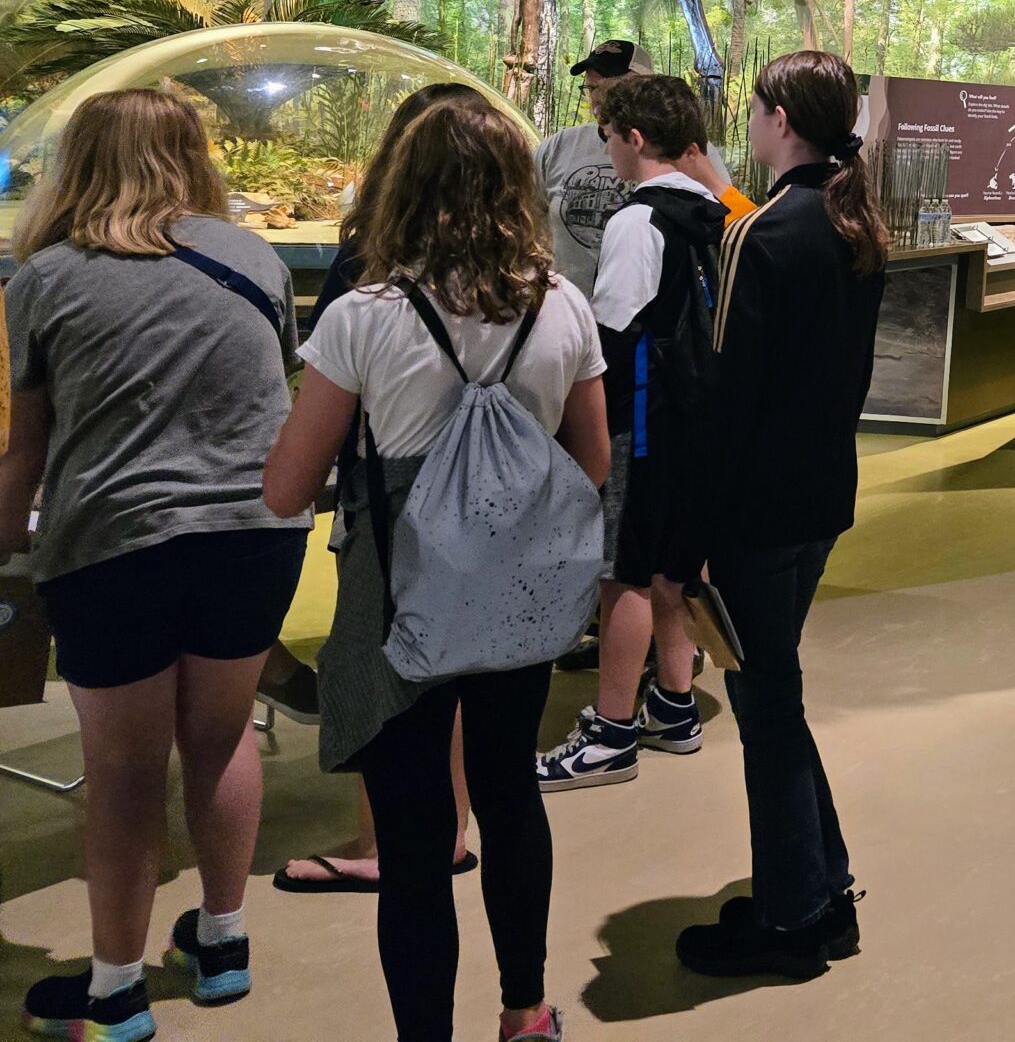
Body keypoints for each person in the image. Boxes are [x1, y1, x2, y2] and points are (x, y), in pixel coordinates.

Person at [265, 93, 611, 1042]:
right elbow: (593, 465)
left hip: (395, 601)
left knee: (415, 839)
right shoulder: (562, 304)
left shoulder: (364, 317)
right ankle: (527, 1008)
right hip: (519, 594)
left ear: (401, 185)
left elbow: (289, 487)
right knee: (508, 791)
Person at [0, 89, 311, 1039]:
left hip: (113, 543)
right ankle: (221, 943)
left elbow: (29, 450)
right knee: (219, 742)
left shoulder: (43, 277)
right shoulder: (253, 255)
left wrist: (7, 545)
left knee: (125, 770)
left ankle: (115, 991)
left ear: (78, 160)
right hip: (257, 534)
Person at [675, 50, 884, 980]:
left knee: (766, 706)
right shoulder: (850, 225)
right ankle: (817, 884)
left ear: (782, 118)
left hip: (758, 511)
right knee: (777, 694)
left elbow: (729, 397)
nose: (748, 123)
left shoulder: (765, 235)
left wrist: (691, 534)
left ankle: (796, 918)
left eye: (756, 107)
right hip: (821, 497)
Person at [277, 81, 480, 895]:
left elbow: (315, 424)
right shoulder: (536, 285)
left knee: (382, 672)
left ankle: (383, 841)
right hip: (491, 512)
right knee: (461, 675)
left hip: (391, 502)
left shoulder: (371, 274)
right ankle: (454, 829)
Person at [536, 75, 725, 793]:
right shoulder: (715, 210)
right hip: (698, 423)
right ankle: (674, 705)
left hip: (642, 428)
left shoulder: (638, 222)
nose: (606, 148)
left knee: (626, 574)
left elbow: (612, 336)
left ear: (634, 139)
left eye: (609, 136)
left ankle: (612, 731)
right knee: (677, 568)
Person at [534, 38, 652, 296]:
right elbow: (523, 217)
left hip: (643, 321)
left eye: (610, 88)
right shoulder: (558, 146)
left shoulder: (681, 149)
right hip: (567, 311)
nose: (598, 99)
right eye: (591, 88)